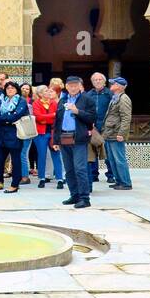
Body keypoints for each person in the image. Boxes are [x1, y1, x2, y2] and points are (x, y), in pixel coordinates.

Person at [53, 76, 97, 207]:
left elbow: (93, 117)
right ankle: (74, 195)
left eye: (75, 85)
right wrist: (55, 140)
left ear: (80, 86)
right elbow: (57, 121)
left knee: (80, 168)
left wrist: (77, 111)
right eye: (70, 85)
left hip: (79, 139)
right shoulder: (62, 100)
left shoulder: (87, 99)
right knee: (69, 169)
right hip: (64, 138)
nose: (72, 88)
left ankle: (85, 198)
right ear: (66, 87)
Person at [104, 77, 134, 190]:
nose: (111, 84)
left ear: (120, 86)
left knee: (119, 159)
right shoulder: (116, 98)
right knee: (112, 159)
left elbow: (126, 118)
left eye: (114, 83)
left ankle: (126, 183)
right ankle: (119, 181)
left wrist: (121, 133)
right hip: (110, 133)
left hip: (116, 134)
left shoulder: (124, 99)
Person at [32, 83, 62, 187]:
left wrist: (46, 118)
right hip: (40, 134)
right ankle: (42, 178)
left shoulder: (54, 103)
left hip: (53, 133)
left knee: (56, 155)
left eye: (49, 90)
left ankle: (60, 179)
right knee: (42, 156)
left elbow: (58, 116)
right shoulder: (36, 103)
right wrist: (52, 116)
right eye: (46, 90)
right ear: (40, 94)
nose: (49, 92)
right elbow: (38, 117)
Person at [89, 72, 112, 185]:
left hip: (106, 127)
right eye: (95, 80)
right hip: (93, 126)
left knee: (108, 151)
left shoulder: (109, 94)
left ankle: (111, 175)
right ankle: (94, 174)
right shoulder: (89, 94)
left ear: (104, 81)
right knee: (92, 151)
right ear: (92, 82)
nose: (97, 82)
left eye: (99, 80)